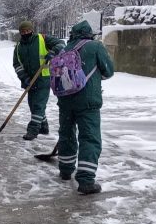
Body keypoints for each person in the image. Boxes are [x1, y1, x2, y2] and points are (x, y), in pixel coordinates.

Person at [57, 20, 115, 195]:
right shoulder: (95, 46)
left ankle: (66, 170)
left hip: (65, 99)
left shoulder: (65, 49)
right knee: (89, 138)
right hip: (87, 101)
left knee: (66, 134)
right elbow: (109, 71)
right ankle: (86, 180)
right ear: (89, 34)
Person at [12, 21, 65, 140]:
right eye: (23, 31)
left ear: (32, 30)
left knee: (38, 105)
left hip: (43, 78)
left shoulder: (43, 38)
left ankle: (33, 129)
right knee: (32, 105)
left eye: (27, 30)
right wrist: (24, 77)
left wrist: (53, 51)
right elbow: (17, 64)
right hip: (29, 80)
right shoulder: (19, 46)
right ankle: (43, 126)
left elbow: (62, 44)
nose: (25, 33)